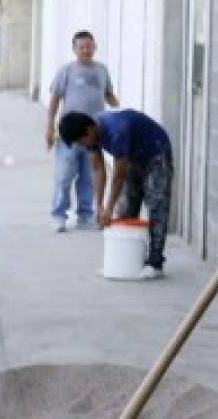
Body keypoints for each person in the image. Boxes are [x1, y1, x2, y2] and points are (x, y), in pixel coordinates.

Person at [58, 108, 173, 279]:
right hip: (134, 156)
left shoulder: (117, 131)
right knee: (126, 209)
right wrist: (99, 206)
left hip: (156, 153)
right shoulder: (92, 136)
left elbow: (118, 176)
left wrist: (108, 208)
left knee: (156, 205)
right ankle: (128, 261)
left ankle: (155, 263)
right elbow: (98, 169)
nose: (83, 145)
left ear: (89, 130)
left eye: (82, 141)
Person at [45, 31, 119, 231]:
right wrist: (49, 127)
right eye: (81, 47)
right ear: (74, 49)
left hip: (94, 135)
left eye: (89, 46)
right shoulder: (66, 71)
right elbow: (54, 100)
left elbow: (109, 94)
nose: (86, 50)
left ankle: (84, 215)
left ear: (95, 47)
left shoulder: (102, 70)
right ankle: (59, 214)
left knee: (89, 176)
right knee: (64, 174)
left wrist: (117, 104)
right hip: (70, 134)